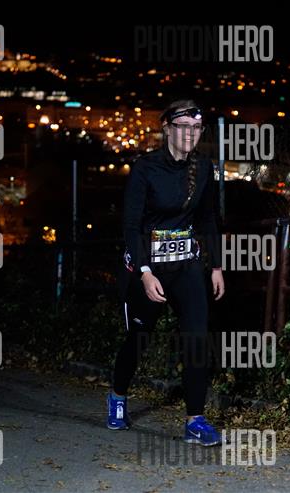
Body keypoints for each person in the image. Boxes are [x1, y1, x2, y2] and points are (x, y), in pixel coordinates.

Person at [107, 100, 224, 446]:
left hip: (186, 266)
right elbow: (130, 225)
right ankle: (117, 395)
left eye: (196, 127)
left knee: (197, 339)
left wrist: (216, 266)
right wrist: (144, 272)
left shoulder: (203, 168)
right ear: (167, 129)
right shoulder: (145, 168)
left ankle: (195, 420)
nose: (190, 133)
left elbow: (208, 219)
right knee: (139, 338)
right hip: (148, 266)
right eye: (183, 126)